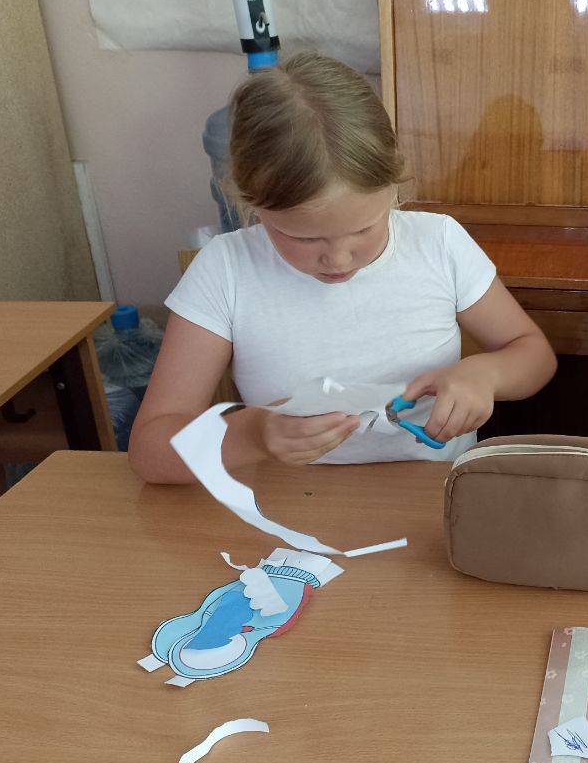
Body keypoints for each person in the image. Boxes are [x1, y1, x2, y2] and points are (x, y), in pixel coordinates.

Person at [129, 51, 556, 482]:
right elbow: (150, 451)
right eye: (303, 238)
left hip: (432, 495)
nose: (337, 259)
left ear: (393, 187)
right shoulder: (225, 270)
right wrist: (251, 435)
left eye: (364, 228)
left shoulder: (439, 243)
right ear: (251, 201)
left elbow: (533, 354)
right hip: (291, 504)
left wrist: (485, 374)